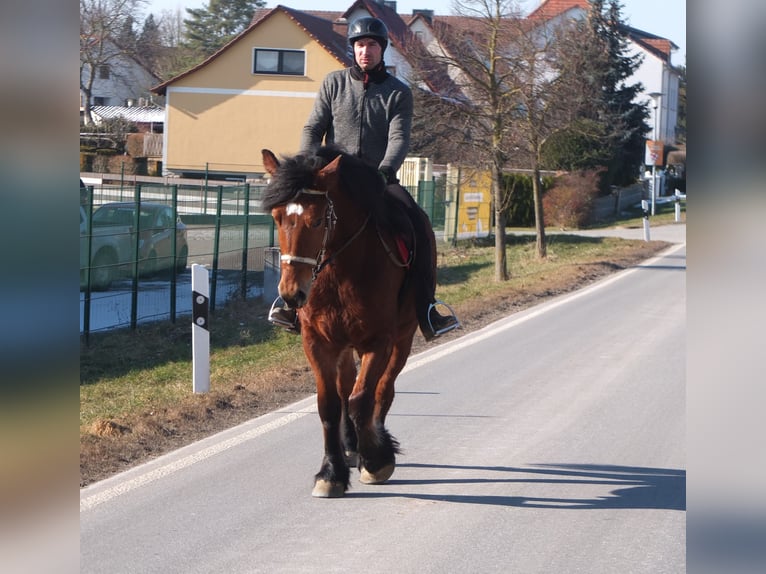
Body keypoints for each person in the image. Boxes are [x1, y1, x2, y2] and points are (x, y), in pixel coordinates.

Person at [268, 16, 459, 341]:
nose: (365, 51)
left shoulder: (398, 93)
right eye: (359, 45)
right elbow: (313, 127)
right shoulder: (333, 83)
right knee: (298, 223)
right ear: (352, 49)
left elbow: (399, 138)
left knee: (418, 223)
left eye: (371, 45)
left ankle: (427, 309)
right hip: (332, 180)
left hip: (378, 181)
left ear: (381, 49)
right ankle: (290, 305)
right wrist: (307, 167)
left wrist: (384, 172)